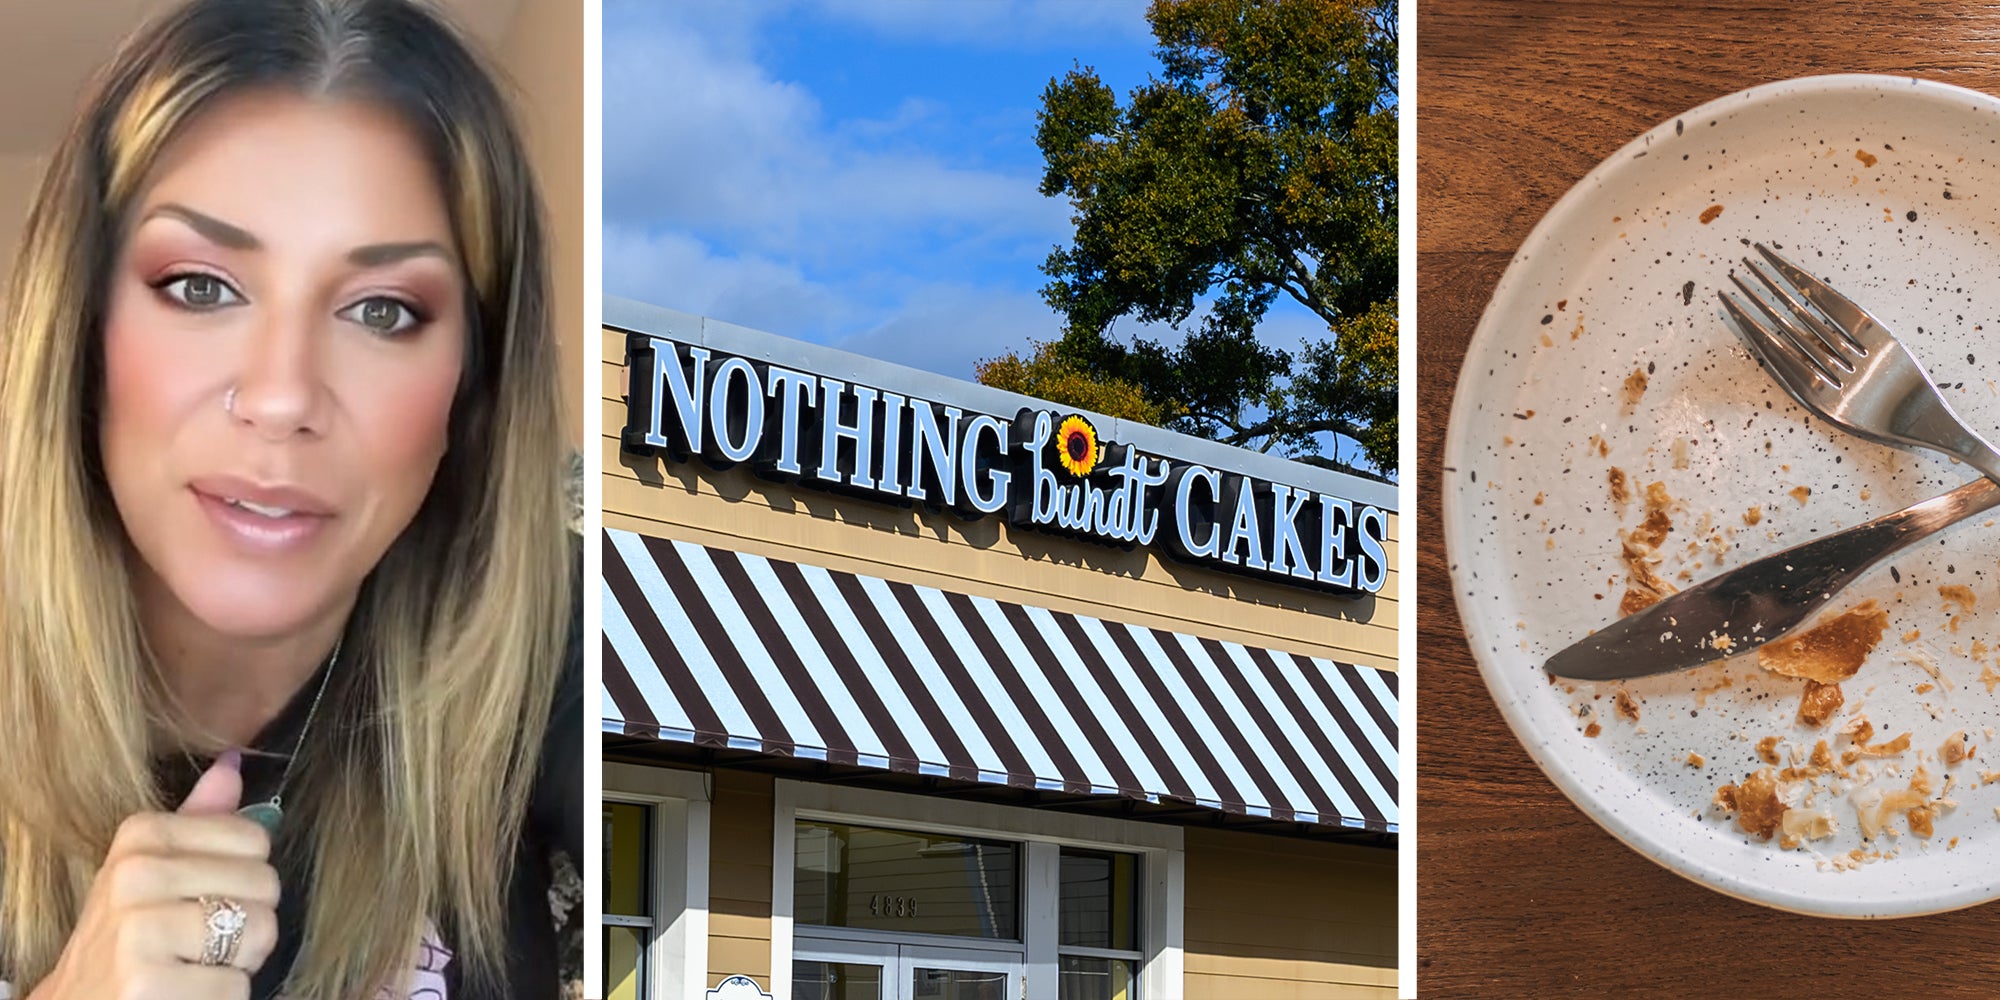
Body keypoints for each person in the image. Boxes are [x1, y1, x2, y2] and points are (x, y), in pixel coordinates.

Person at [0, 0, 581, 997]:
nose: (281, 397)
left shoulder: (552, 653)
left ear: (470, 388)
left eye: (382, 310)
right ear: (85, 328)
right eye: (199, 286)